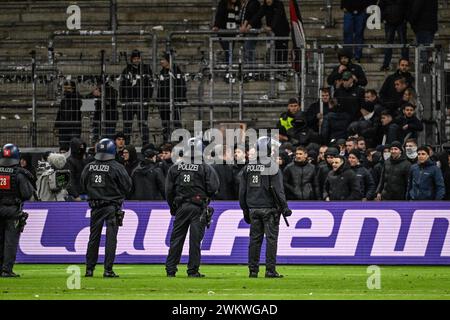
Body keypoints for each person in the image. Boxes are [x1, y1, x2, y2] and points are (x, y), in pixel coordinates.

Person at [165, 138, 220, 277]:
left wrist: (173, 207)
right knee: (195, 241)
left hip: (181, 207)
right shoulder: (205, 168)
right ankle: (193, 270)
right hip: (198, 208)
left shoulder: (175, 168)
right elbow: (214, 188)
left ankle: (171, 269)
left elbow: (168, 191)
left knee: (176, 239)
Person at [239, 136, 291, 278]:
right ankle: (270, 270)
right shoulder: (272, 167)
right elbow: (279, 190)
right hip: (270, 209)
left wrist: (245, 210)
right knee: (271, 240)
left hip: (253, 209)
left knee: (254, 240)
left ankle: (253, 270)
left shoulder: (247, 168)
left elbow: (242, 192)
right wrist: (285, 207)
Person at [81, 138, 132, 278]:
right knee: (111, 239)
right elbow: (127, 186)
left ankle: (89, 270)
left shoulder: (89, 167)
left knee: (93, 238)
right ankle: (108, 270)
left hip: (95, 207)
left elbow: (83, 183)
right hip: (111, 207)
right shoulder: (117, 167)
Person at [0, 144, 35, 277]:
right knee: (10, 241)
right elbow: (26, 194)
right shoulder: (19, 174)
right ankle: (7, 269)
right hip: (12, 210)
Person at [120, 49, 153, 145]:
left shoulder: (146, 69)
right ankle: (125, 145)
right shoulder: (126, 70)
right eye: (134, 58)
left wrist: (147, 98)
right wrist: (123, 100)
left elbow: (150, 85)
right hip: (128, 102)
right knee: (127, 125)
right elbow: (122, 85)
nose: (136, 60)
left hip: (142, 102)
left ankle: (146, 144)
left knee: (143, 124)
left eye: (138, 58)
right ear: (131, 59)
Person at [248, 0, 290, 74]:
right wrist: (249, 25)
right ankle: (275, 72)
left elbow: (277, 16)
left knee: (282, 51)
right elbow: (257, 16)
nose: (268, 1)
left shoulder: (279, 4)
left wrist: (271, 27)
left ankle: (283, 72)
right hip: (272, 33)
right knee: (273, 52)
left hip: (282, 32)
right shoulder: (265, 7)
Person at [156, 53, 187, 140]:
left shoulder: (177, 71)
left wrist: (180, 100)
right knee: (165, 124)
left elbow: (182, 86)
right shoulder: (162, 72)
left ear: (168, 61)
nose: (161, 62)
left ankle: (179, 143)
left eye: (163, 60)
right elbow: (160, 88)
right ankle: (166, 143)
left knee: (176, 123)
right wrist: (159, 100)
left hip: (175, 102)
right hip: (163, 102)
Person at [379, 0, 409, 71]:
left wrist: (406, 19)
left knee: (403, 44)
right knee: (389, 44)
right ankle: (386, 65)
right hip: (389, 22)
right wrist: (383, 18)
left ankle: (406, 64)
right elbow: (380, 7)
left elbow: (408, 6)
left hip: (401, 22)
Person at [213, 0, 241, 68]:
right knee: (228, 50)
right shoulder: (223, 3)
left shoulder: (238, 4)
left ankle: (229, 69)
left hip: (233, 32)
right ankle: (229, 69)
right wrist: (216, 25)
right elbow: (219, 14)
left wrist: (239, 26)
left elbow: (238, 17)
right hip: (223, 31)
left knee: (230, 51)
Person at [239, 0, 262, 79]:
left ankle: (252, 72)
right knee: (247, 49)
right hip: (248, 30)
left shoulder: (254, 3)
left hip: (252, 29)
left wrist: (246, 26)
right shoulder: (246, 4)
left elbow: (250, 16)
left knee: (249, 49)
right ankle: (250, 71)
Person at [55, 80, 82, 146]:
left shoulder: (77, 98)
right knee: (63, 147)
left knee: (74, 147)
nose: (66, 90)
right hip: (63, 128)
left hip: (74, 127)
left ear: (73, 89)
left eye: (69, 88)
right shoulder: (63, 100)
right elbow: (59, 113)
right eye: (65, 88)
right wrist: (56, 126)